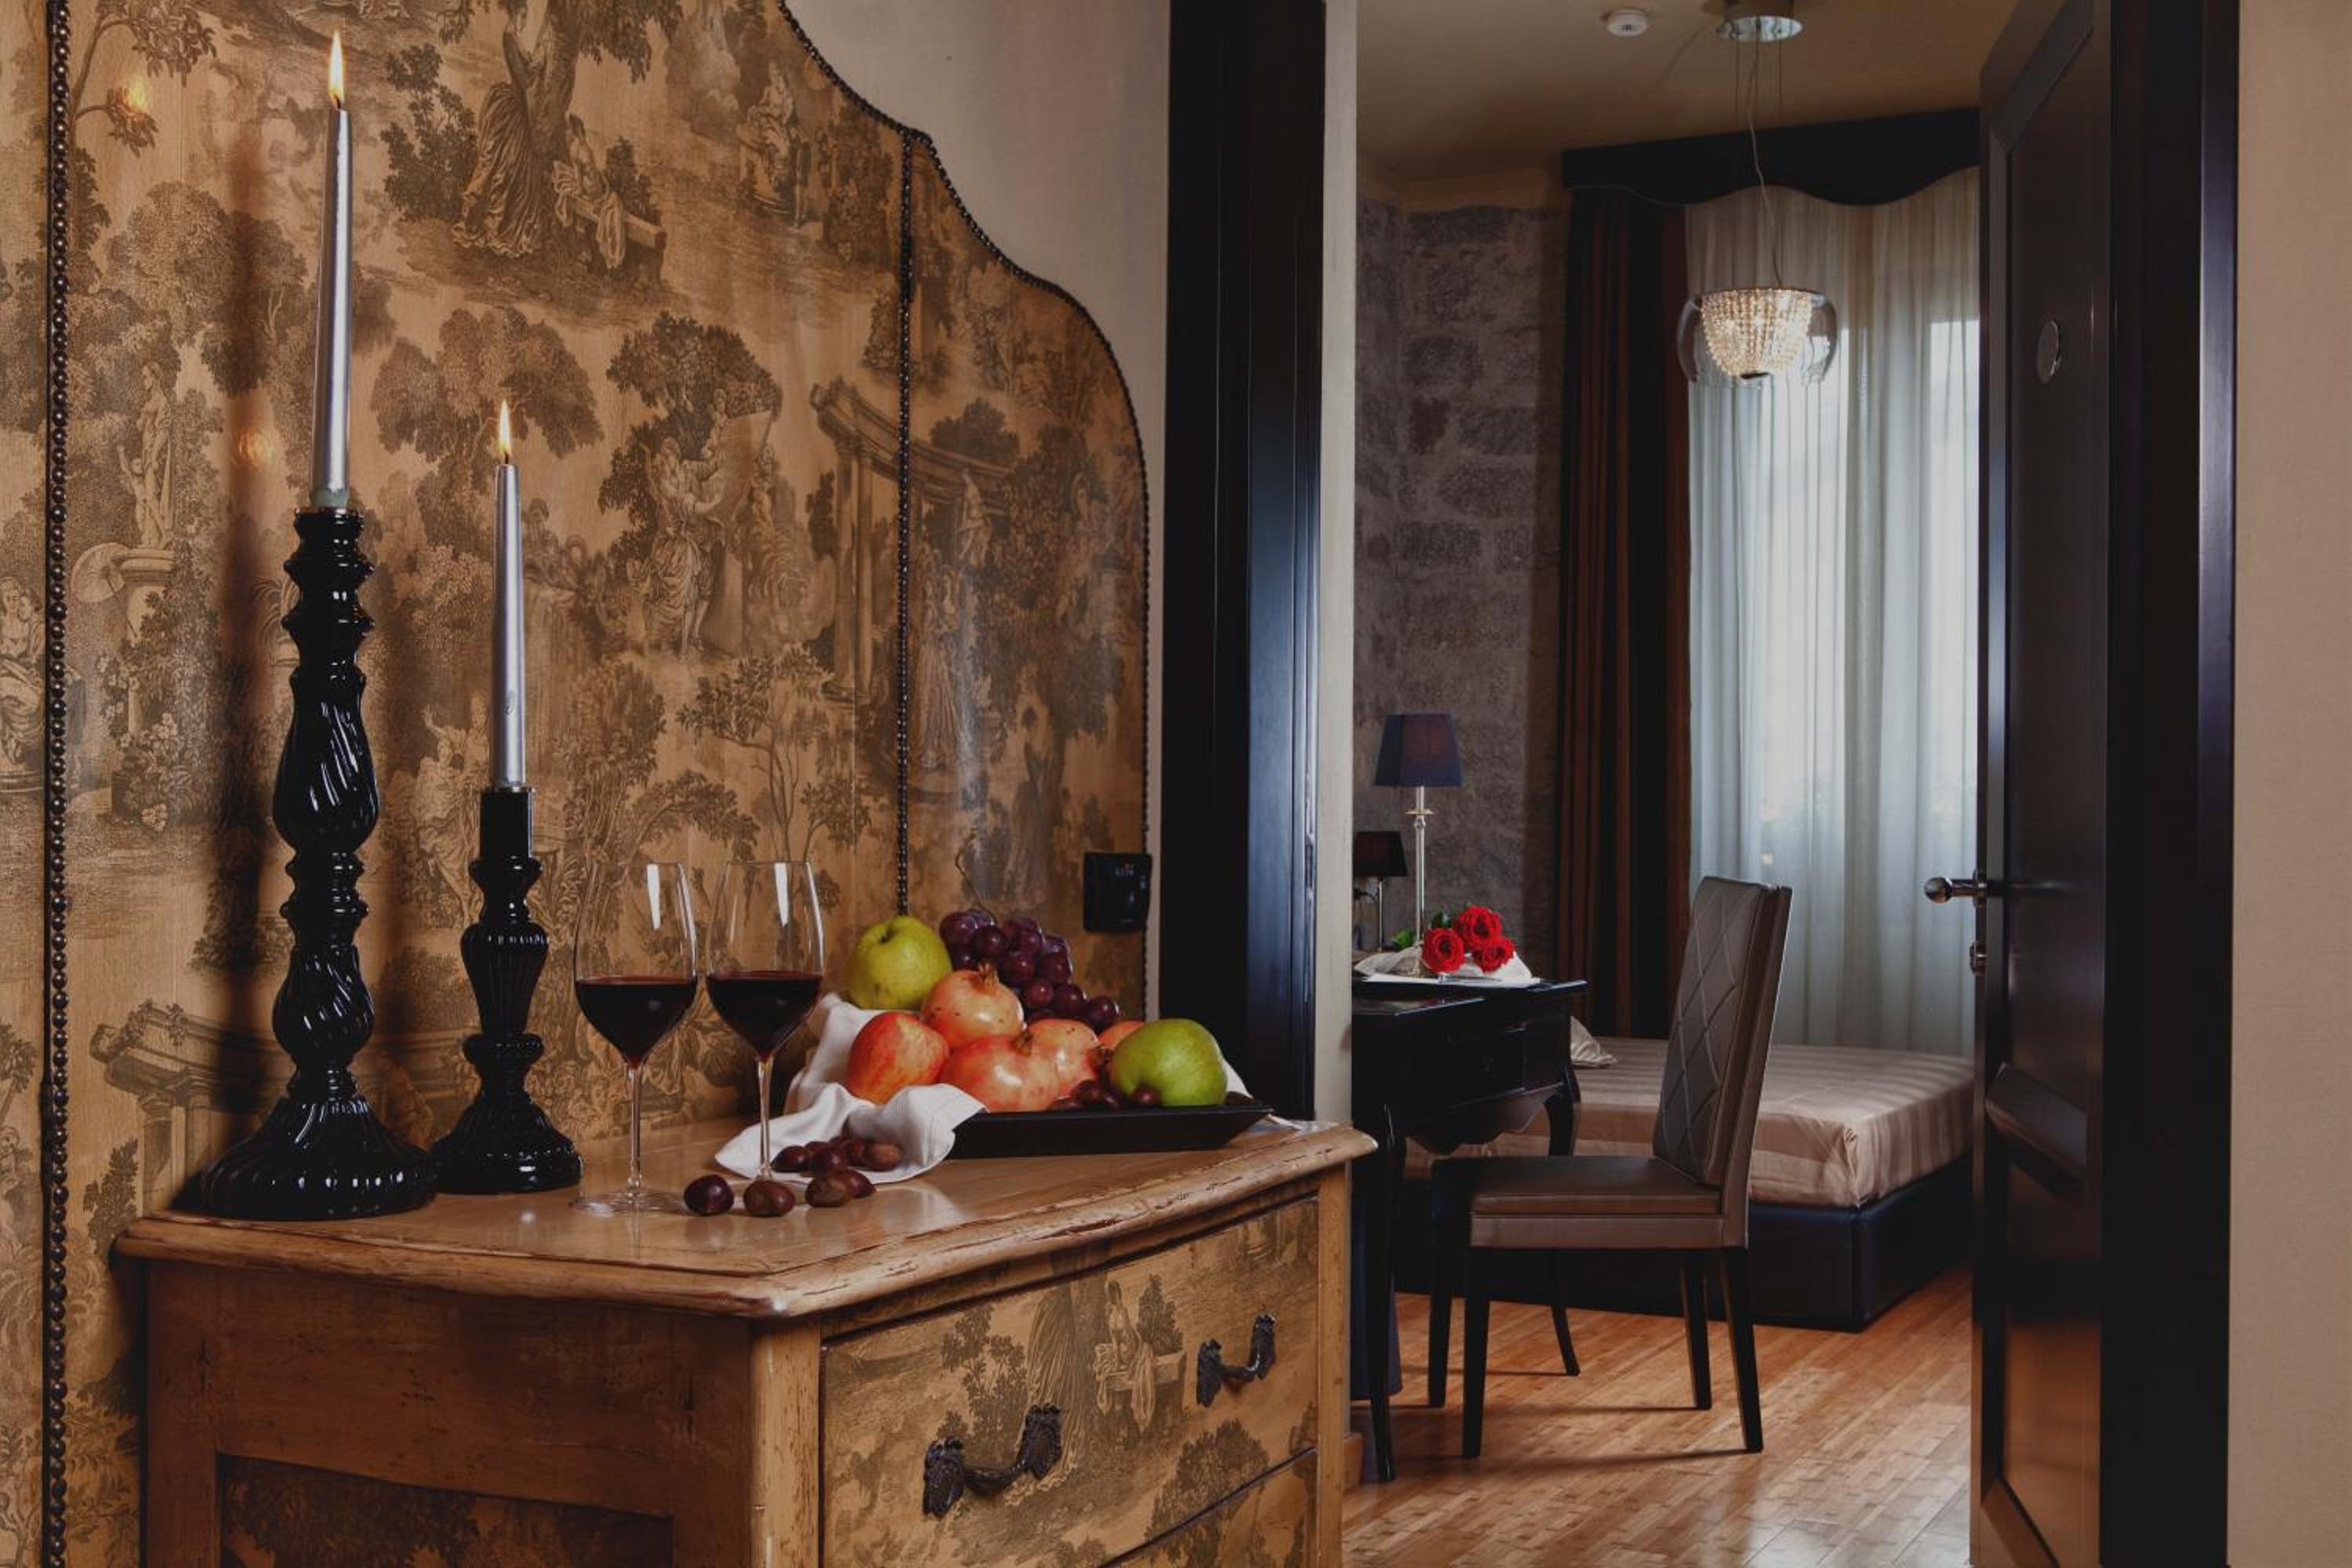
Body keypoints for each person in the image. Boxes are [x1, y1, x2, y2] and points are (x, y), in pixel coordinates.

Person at [456, 1, 581, 258]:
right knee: (508, 167)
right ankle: (496, 228)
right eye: (523, 16)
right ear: (516, 13)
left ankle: (503, 226)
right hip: (514, 110)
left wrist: (536, 62)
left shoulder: (514, 37)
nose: (525, 22)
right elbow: (523, 81)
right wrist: (539, 66)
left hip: (519, 108)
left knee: (514, 168)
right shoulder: (509, 38)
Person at [550, 114, 624, 271]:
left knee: (583, 221)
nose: (567, 133)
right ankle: (586, 255)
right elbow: (585, 174)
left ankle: (587, 255)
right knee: (583, 220)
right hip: (594, 191)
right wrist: (584, 190)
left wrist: (584, 190)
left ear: (575, 130)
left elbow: (586, 175)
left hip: (593, 191)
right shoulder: (581, 149)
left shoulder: (579, 149)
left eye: (569, 129)